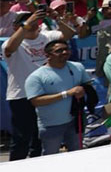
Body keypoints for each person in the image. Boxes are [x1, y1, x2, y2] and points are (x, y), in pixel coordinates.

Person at [4, 10, 75, 159]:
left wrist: (57, 18)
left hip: (46, 95)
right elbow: (9, 49)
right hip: (21, 96)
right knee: (21, 139)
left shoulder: (47, 36)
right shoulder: (13, 41)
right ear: (17, 26)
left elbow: (69, 34)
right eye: (27, 22)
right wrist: (26, 26)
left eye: (34, 21)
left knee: (40, 138)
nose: (33, 24)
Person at [25, 38, 90, 155]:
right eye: (59, 50)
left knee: (78, 155)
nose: (65, 52)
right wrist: (66, 94)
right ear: (48, 55)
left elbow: (88, 85)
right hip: (51, 125)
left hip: (75, 121)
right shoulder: (36, 76)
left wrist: (83, 90)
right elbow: (36, 101)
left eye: (66, 49)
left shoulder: (78, 67)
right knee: (50, 157)